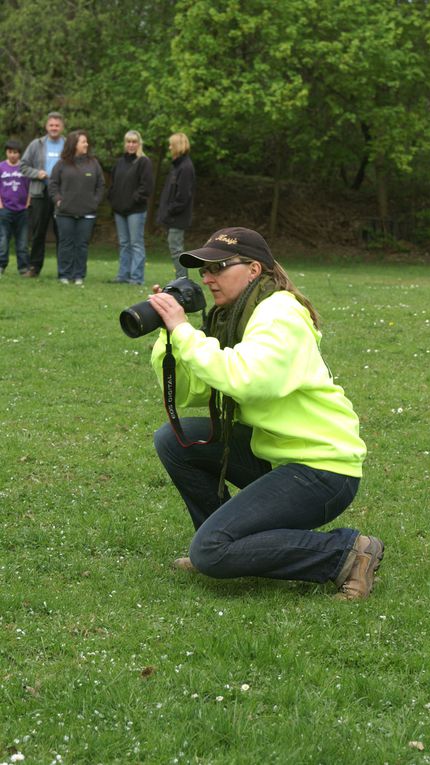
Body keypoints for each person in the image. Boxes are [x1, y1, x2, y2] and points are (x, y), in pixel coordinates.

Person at [148, 227, 384, 601]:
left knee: (211, 552)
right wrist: (170, 336)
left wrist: (183, 331)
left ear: (254, 269)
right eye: (203, 270)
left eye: (218, 267)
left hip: (322, 468)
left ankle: (347, 554)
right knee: (174, 440)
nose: (207, 278)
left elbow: (244, 379)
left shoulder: (280, 315)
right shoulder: (232, 317)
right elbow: (196, 391)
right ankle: (222, 537)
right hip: (273, 453)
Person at [48, 130, 104, 285]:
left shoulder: (93, 163)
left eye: (86, 141)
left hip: (87, 213)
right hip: (65, 213)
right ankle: (64, 275)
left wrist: (95, 201)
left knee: (82, 245)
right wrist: (58, 200)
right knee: (66, 244)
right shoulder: (61, 164)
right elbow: (53, 184)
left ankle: (79, 276)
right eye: (83, 142)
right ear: (74, 144)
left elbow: (101, 185)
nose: (86, 144)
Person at [20, 111, 65, 277]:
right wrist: (36, 173)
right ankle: (34, 268)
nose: (54, 128)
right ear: (46, 126)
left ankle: (64, 270)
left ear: (62, 127)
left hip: (61, 193)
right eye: (51, 125)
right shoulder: (36, 144)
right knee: (39, 231)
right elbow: (23, 166)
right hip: (40, 192)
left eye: (57, 125)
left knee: (62, 231)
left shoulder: (68, 144)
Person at [108, 130, 153, 285]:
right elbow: (113, 184)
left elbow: (146, 187)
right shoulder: (120, 162)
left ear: (139, 144)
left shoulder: (144, 162)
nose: (131, 145)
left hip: (136, 210)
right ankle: (123, 275)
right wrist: (114, 201)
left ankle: (136, 277)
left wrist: (134, 199)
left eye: (134, 142)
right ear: (125, 143)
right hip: (119, 210)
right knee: (124, 244)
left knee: (136, 243)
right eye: (128, 142)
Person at [156, 132, 195, 279]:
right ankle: (181, 278)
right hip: (174, 216)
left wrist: (169, 211)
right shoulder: (177, 166)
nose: (169, 147)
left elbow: (183, 197)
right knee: (175, 248)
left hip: (178, 217)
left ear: (178, 146)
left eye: (171, 144)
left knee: (176, 249)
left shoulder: (185, 167)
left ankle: (182, 280)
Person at [0, 139, 31, 276]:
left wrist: (28, 202)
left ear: (20, 154)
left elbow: (31, 186)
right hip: (5, 209)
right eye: (10, 152)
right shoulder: (1, 167)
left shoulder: (25, 168)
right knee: (3, 240)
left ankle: (23, 268)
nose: (13, 155)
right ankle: (1, 265)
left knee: (22, 241)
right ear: (6, 152)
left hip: (22, 210)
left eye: (16, 152)